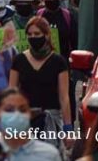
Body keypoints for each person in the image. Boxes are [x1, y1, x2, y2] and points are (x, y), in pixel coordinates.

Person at [9, 16, 72, 153]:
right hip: (25, 121)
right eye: (30, 34)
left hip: (51, 121)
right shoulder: (19, 61)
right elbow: (11, 94)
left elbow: (64, 97)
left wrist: (68, 128)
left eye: (37, 34)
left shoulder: (59, 62)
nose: (33, 37)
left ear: (46, 35)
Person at [0, 88, 62, 160]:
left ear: (30, 114)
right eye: (9, 110)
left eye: (22, 110)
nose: (16, 114)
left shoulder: (49, 154)